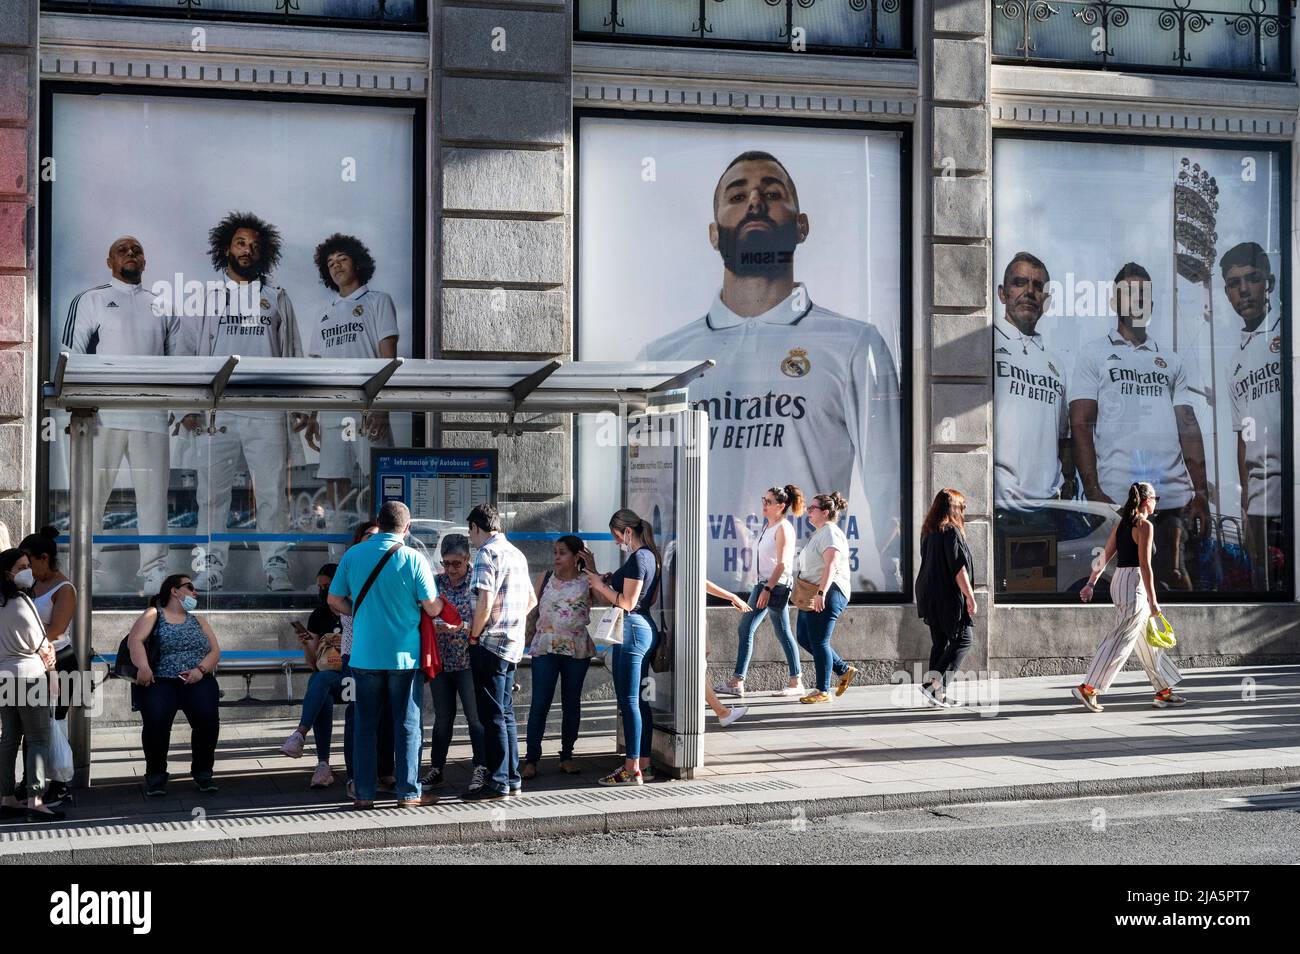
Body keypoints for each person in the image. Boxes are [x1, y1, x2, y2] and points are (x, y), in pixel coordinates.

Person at [642, 150, 902, 595]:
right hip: (695, 601)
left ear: (801, 226)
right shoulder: (665, 358)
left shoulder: (854, 345)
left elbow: (890, 487)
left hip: (804, 592)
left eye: (772, 192)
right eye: (737, 194)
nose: (755, 202)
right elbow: (648, 500)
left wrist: (893, 589)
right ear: (713, 232)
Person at [180, 211, 303, 592]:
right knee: (211, 496)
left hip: (265, 408)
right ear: (226, 249)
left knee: (270, 495)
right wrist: (186, 405)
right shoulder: (206, 297)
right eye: (240, 243)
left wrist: (301, 406)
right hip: (218, 409)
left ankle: (276, 567)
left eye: (254, 245)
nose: (247, 249)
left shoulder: (276, 298)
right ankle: (210, 567)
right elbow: (186, 354)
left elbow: (294, 355)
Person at [1069, 262, 1210, 592]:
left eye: (1144, 293)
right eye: (1129, 292)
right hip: (1117, 501)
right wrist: (1092, 492)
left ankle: (1174, 645)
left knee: (1173, 581)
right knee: (1121, 587)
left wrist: (1201, 491)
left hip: (1172, 500)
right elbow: (1080, 424)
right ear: (1113, 302)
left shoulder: (1171, 360)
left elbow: (1188, 425)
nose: (1138, 299)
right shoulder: (1093, 354)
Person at [61, 235, 180, 593]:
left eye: (137, 250)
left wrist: (172, 406)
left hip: (150, 416)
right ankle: (85, 569)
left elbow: (177, 363)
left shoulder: (161, 305)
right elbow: (70, 356)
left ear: (145, 261)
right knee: (91, 496)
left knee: (154, 499)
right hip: (103, 416)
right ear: (109, 261)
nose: (131, 254)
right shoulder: (91, 300)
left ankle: (154, 572)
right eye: (122, 250)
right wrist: (80, 406)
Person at [328, 501, 452, 809]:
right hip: (404, 657)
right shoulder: (413, 558)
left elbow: (333, 599)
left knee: (365, 725)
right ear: (407, 529)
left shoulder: (353, 555)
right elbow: (433, 607)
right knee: (407, 723)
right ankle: (409, 792)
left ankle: (364, 794)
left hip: (363, 656)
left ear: (378, 524)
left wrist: (356, 611)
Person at [305, 234, 400, 562]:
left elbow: (389, 358)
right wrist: (314, 413)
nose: (336, 266)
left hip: (367, 408)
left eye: (341, 259)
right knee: (335, 483)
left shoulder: (378, 301)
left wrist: (383, 406)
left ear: (357, 261)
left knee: (380, 481)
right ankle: (338, 559)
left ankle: (383, 553)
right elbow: (316, 367)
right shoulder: (323, 312)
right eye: (330, 263)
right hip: (333, 410)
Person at [992, 252, 1076, 593]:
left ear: (1046, 299)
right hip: (998, 508)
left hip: (1045, 512)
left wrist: (1065, 488)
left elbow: (1063, 439)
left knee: (1037, 601)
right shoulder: (985, 345)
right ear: (1002, 293)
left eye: (1037, 285)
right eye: (1019, 283)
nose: (1029, 291)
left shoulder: (1056, 363)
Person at [1073, 482, 1186, 712]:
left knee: (1147, 639)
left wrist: (1091, 583)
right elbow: (1145, 566)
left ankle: (1163, 691)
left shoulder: (1122, 524)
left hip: (1122, 582)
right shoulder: (1144, 526)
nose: (1157, 503)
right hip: (1134, 584)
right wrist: (1154, 601)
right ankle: (1089, 688)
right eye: (1156, 498)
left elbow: (1103, 556)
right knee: (1121, 639)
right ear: (1147, 501)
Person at [1219, 242, 1284, 592]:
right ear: (1227, 292)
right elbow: (1241, 435)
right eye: (1233, 283)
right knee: (1266, 595)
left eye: (1252, 279)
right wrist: (1244, 505)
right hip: (1260, 504)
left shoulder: (1288, 330)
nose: (1243, 289)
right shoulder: (1234, 365)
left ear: (1269, 282)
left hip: (1292, 492)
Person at [584, 509, 661, 786]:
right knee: (639, 701)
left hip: (632, 631)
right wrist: (595, 573)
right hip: (641, 630)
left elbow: (627, 602)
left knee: (629, 701)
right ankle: (645, 764)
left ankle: (631, 769)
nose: (618, 542)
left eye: (617, 537)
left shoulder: (640, 558)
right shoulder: (649, 556)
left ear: (628, 531)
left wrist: (598, 585)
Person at [127, 573, 222, 796]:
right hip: (161, 680)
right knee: (156, 725)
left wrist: (200, 670)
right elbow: (135, 640)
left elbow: (215, 650)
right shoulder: (154, 614)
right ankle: (156, 776)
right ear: (174, 591)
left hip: (197, 679)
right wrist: (143, 666)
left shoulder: (199, 620)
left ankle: (203, 773)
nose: (194, 592)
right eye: (190, 587)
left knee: (207, 722)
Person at [463, 504, 535, 800]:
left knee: (491, 715)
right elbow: (531, 599)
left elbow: (484, 600)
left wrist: (475, 635)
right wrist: (513, 623)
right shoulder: (516, 554)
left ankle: (497, 782)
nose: (471, 538)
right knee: (505, 713)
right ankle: (512, 778)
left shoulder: (487, 554)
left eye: (470, 532)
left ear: (477, 528)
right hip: (512, 644)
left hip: (489, 644)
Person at [716, 484, 804, 698]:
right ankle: (793, 680)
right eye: (763, 500)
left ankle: (740, 680)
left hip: (774, 586)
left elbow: (782, 563)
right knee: (773, 631)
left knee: (753, 629)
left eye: (769, 502)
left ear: (781, 506)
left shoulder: (783, 528)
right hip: (764, 584)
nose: (764, 504)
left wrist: (767, 588)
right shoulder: (768, 526)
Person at [523, 535, 594, 779]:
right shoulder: (544, 578)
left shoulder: (588, 581)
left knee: (571, 703)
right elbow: (531, 611)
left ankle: (566, 756)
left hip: (576, 649)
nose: (556, 557)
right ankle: (531, 759)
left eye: (562, 552)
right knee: (539, 704)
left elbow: (609, 600)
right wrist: (524, 639)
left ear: (577, 557)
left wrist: (593, 570)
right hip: (545, 647)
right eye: (555, 552)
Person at [0, 549, 64, 821]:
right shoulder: (21, 601)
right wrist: (51, 666)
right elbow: (40, 641)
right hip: (29, 676)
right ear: (8, 573)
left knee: (9, 739)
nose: (28, 570)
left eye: (28, 565)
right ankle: (35, 799)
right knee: (37, 737)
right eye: (21, 566)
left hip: (3, 677)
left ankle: (6, 797)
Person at [17, 527, 77, 807]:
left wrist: (23, 640)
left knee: (56, 725)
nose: (27, 569)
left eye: (30, 563)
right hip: (32, 662)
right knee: (33, 726)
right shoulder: (31, 585)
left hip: (59, 662)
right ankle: (32, 780)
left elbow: (57, 629)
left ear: (44, 557)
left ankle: (61, 783)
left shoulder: (64, 589)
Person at [423, 533, 486, 792]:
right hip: (441, 661)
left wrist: (460, 627)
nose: (450, 570)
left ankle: (481, 766)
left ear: (467, 559)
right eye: (446, 563)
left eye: (456, 564)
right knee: (442, 717)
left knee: (475, 718)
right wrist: (435, 627)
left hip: (469, 660)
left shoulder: (476, 582)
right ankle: (436, 768)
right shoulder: (436, 583)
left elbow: (485, 616)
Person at [337, 521, 395, 796]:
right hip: (354, 652)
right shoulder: (351, 566)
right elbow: (338, 604)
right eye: (368, 536)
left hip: (382, 652)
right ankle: (355, 776)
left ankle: (384, 771)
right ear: (358, 540)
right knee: (356, 715)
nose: (374, 540)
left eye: (377, 535)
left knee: (385, 716)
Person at [280, 563, 345, 789]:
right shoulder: (319, 615)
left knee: (321, 680)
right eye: (319, 586)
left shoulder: (354, 610)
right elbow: (313, 663)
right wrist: (308, 644)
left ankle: (300, 733)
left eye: (326, 586)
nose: (322, 590)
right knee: (322, 688)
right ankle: (323, 765)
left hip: (352, 676)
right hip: (326, 676)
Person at [915, 489, 977, 707]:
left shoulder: (928, 531)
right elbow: (958, 569)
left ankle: (936, 695)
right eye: (962, 506)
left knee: (940, 643)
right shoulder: (951, 531)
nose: (964, 510)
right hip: (946, 595)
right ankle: (934, 686)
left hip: (928, 593)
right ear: (954, 508)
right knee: (963, 639)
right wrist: (970, 596)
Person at [795, 492, 858, 704]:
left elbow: (831, 563)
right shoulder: (820, 532)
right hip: (812, 591)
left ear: (825, 512)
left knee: (819, 640)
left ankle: (823, 689)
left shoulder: (830, 532)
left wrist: (822, 592)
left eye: (812, 508)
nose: (808, 511)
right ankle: (843, 669)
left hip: (829, 591)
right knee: (804, 637)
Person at [704, 580, 752, 728]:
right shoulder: (679, 558)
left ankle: (721, 711)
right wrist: (733, 597)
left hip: (694, 615)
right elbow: (700, 581)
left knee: (701, 665)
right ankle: (722, 712)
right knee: (698, 670)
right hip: (691, 616)